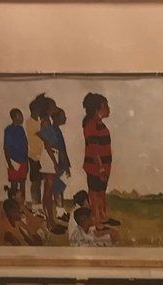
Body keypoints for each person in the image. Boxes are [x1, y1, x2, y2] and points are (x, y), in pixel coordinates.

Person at [80, 92, 119, 230]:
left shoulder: (99, 123)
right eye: (105, 106)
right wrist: (101, 168)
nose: (108, 108)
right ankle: (96, 222)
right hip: (95, 167)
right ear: (97, 109)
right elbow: (94, 149)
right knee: (95, 194)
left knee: (101, 193)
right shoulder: (90, 124)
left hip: (104, 167)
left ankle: (103, 217)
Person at [40, 106, 72, 231]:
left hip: (55, 161)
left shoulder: (53, 127)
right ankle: (49, 222)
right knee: (49, 192)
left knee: (55, 190)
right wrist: (56, 163)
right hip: (52, 161)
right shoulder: (47, 125)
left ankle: (53, 219)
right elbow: (50, 146)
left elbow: (60, 149)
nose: (65, 118)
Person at [3, 108, 28, 202]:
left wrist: (26, 162)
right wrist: (9, 163)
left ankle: (22, 205)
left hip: (23, 161)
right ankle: (12, 205)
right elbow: (6, 148)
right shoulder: (9, 130)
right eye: (20, 115)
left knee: (22, 184)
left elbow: (25, 146)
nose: (22, 118)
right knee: (14, 185)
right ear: (15, 117)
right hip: (13, 162)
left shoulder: (21, 129)